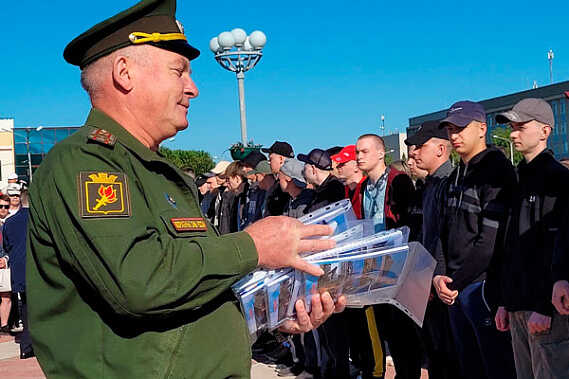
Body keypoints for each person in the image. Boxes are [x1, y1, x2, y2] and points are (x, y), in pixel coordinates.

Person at [27, 1, 344, 377]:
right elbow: (140, 281)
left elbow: (185, 296)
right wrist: (254, 247)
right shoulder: (87, 163)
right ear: (124, 73)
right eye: (179, 71)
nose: (192, 88)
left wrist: (269, 313)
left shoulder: (156, 172)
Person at [434, 101, 516, 379]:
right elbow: (443, 230)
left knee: (495, 365)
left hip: (481, 286)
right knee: (467, 364)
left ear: (482, 129)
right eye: (450, 130)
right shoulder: (457, 172)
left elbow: (489, 241)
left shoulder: (497, 170)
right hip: (453, 287)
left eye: (460, 128)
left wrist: (454, 282)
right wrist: (440, 275)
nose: (454, 135)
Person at [493, 98, 569, 378]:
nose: (513, 133)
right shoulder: (517, 180)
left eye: (521, 126)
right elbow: (510, 247)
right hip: (517, 306)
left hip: (546, 308)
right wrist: (504, 300)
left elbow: (555, 245)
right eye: (512, 126)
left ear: (545, 131)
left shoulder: (559, 180)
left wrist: (543, 306)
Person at [356, 133, 422, 379]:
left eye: (364, 151)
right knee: (385, 330)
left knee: (403, 333)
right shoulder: (363, 187)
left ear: (380, 153)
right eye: (357, 153)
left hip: (399, 268)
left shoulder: (399, 181)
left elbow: (409, 225)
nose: (359, 157)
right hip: (375, 268)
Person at [405, 120, 460, 379]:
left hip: (445, 285)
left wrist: (435, 276)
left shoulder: (450, 182)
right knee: (436, 352)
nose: (414, 153)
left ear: (440, 149)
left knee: (451, 356)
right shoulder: (431, 185)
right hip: (429, 283)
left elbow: (446, 238)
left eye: (420, 146)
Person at [3, 189, 33, 358]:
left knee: (26, 308)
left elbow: (7, 246)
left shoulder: (10, 222)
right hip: (37, 268)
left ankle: (26, 347)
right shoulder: (37, 218)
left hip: (20, 269)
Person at [331, 145, 366, 219]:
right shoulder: (344, 191)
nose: (338, 167)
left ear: (356, 166)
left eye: (342, 164)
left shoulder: (367, 188)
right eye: (338, 164)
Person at [262, 141, 294, 216]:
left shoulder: (294, 182)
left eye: (270, 159)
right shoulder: (277, 183)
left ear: (281, 159)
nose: (269, 163)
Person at [0, 194, 11, 334]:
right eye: (0, 206)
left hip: (4, 264)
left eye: (5, 206)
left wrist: (6, 259)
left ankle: (4, 325)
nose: (3, 209)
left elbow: (12, 246)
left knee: (6, 296)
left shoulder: (10, 223)